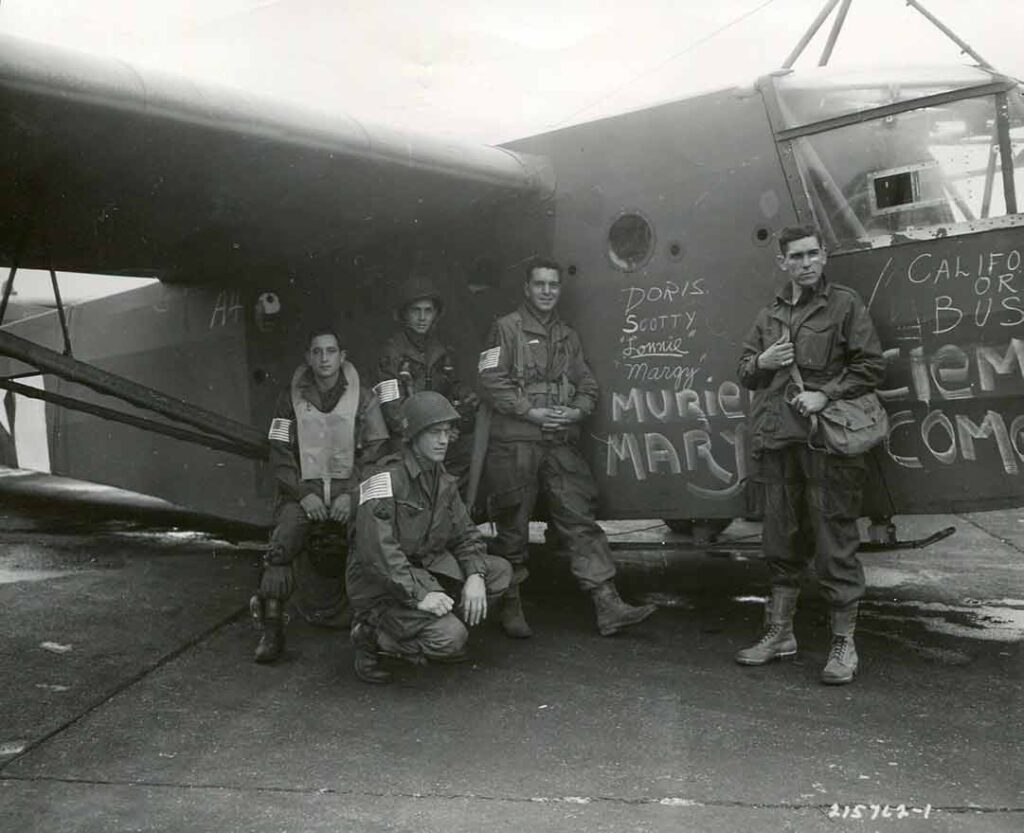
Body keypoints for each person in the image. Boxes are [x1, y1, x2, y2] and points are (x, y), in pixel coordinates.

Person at [735, 224, 885, 685]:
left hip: (826, 442)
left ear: (824, 256)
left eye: (812, 254)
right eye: (796, 256)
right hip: (780, 442)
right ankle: (780, 634)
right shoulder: (770, 314)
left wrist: (826, 394)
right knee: (780, 540)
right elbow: (744, 371)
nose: (805, 263)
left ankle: (844, 645)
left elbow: (871, 366)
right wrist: (763, 363)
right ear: (783, 262)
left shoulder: (844, 305)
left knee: (834, 542)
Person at [477, 258, 657, 639]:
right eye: (539, 284)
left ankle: (607, 604)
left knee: (580, 521)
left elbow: (588, 385)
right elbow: (490, 379)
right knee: (513, 527)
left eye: (553, 285)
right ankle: (510, 604)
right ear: (526, 288)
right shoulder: (504, 329)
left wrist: (574, 412)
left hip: (558, 442)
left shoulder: (567, 336)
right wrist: (533, 413)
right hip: (517, 444)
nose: (546, 291)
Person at [346, 391, 512, 684]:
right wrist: (421, 595)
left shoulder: (441, 479)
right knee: (451, 640)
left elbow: (466, 535)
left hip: (423, 570)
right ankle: (371, 635)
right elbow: (377, 552)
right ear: (414, 435)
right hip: (381, 586)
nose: (444, 440)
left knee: (497, 572)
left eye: (447, 432)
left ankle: (433, 622)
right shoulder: (383, 478)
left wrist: (474, 575)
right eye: (435, 432)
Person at [251, 327, 389, 664]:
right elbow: (279, 451)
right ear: (308, 357)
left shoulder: (366, 398)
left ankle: (371, 628)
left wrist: (352, 496)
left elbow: (377, 452)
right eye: (317, 352)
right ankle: (272, 628)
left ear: (342, 357)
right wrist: (302, 494)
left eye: (331, 351)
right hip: (305, 491)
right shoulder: (289, 397)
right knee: (283, 541)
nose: (324, 358)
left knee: (373, 539)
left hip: (348, 490)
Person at [375, 276, 477, 484]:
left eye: (428, 311)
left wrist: (465, 397)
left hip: (439, 433)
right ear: (404, 314)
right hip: (406, 436)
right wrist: (432, 432)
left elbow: (450, 387)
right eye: (416, 310)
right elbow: (392, 409)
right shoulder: (391, 354)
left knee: (474, 452)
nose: (422, 317)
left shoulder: (440, 349)